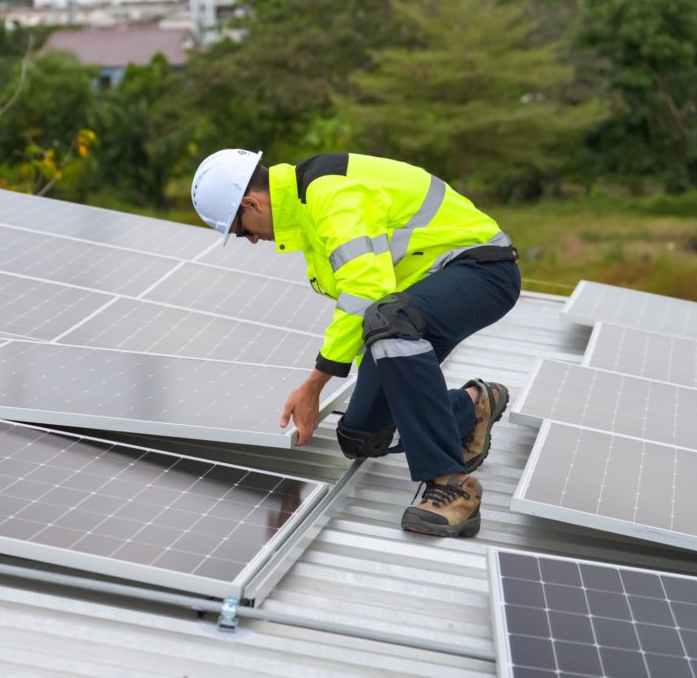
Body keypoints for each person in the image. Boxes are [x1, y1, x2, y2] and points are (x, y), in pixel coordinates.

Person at [190, 149, 521, 538]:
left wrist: (314, 384)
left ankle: (451, 485)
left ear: (252, 203)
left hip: (481, 270)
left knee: (387, 319)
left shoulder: (327, 194)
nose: (251, 240)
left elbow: (367, 290)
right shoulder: (306, 213)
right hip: (422, 299)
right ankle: (472, 406)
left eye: (241, 230)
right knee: (362, 436)